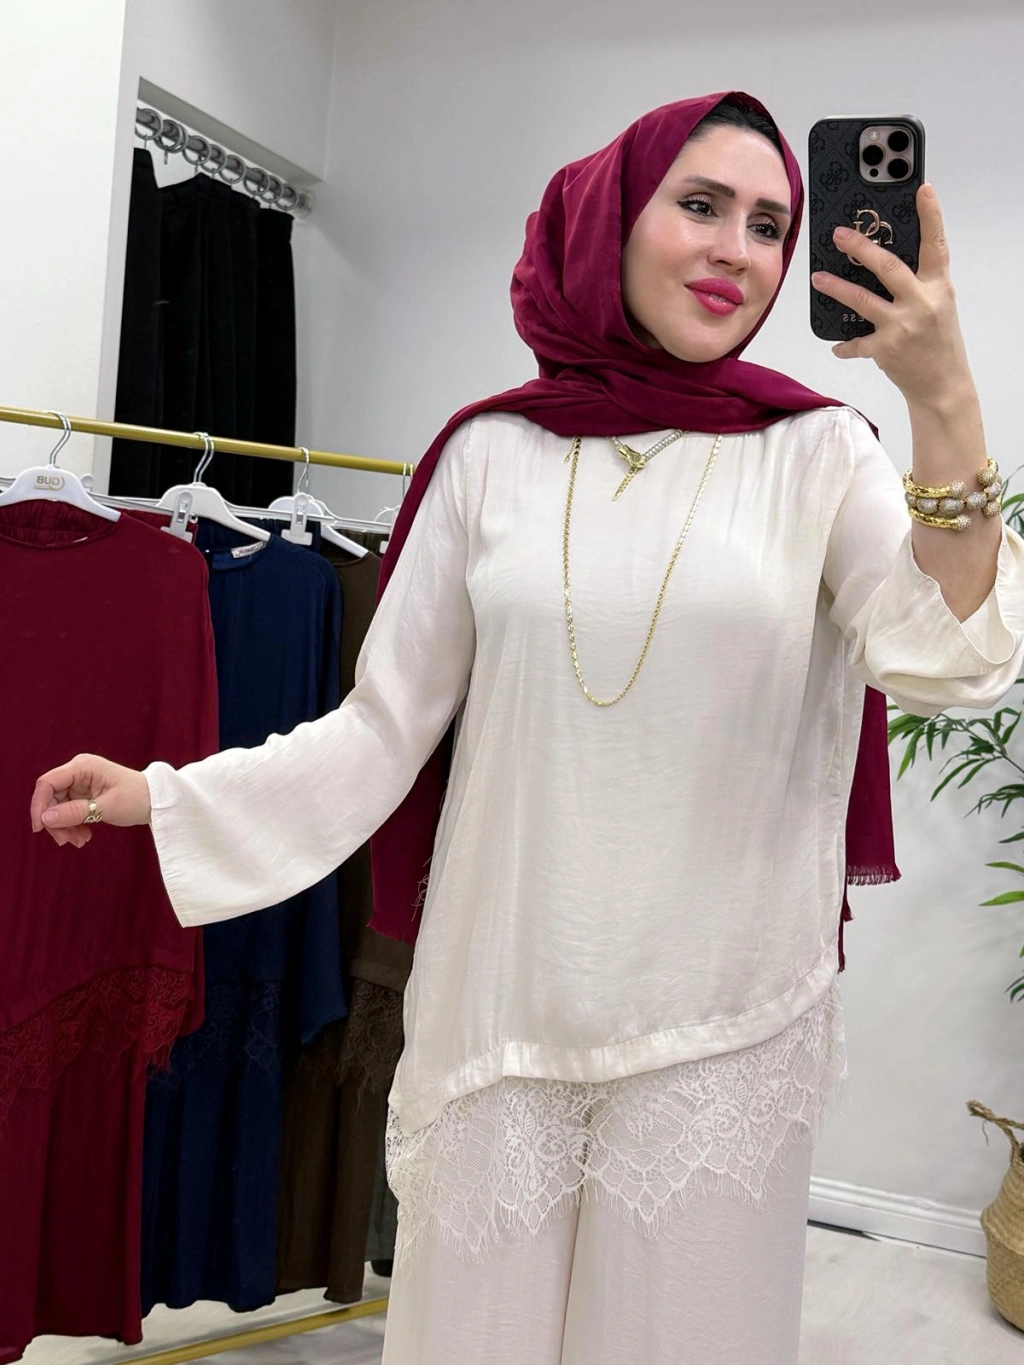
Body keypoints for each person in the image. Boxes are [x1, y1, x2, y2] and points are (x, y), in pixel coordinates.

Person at [31, 90, 1024, 1364]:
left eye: (770, 225)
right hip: (502, 1002)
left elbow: (946, 655)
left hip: (719, 1018)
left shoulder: (817, 452)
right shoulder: (489, 452)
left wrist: (944, 399)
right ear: (610, 217)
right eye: (700, 205)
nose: (736, 250)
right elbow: (381, 726)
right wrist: (165, 794)